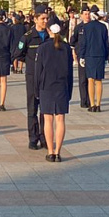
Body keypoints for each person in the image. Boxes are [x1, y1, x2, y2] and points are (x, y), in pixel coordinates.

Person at [35, 22, 74, 162]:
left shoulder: (43, 47)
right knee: (60, 119)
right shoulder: (67, 48)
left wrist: (36, 90)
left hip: (46, 86)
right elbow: (70, 72)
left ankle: (50, 151)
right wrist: (69, 90)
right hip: (62, 86)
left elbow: (38, 71)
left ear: (48, 30)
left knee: (48, 119)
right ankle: (58, 152)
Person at [18, 6, 50, 149]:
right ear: (35, 19)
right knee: (32, 107)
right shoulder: (28, 36)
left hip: (47, 77)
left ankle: (45, 137)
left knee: (45, 108)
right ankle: (33, 137)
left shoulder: (51, 37)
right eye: (42, 19)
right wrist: (32, 63)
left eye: (47, 18)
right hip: (32, 76)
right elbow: (18, 54)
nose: (45, 21)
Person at [79, 6, 109, 112]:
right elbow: (106, 43)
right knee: (99, 80)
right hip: (100, 55)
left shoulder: (86, 27)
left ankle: (92, 104)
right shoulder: (103, 27)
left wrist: (81, 56)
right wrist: (107, 56)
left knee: (90, 80)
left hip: (89, 55)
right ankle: (98, 105)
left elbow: (84, 43)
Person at [72, 7, 91, 109]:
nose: (87, 16)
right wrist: (77, 50)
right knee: (83, 79)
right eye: (85, 14)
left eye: (88, 13)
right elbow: (73, 40)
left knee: (91, 79)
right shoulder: (79, 27)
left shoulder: (93, 26)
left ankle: (90, 99)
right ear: (82, 15)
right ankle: (83, 100)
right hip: (82, 56)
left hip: (91, 55)